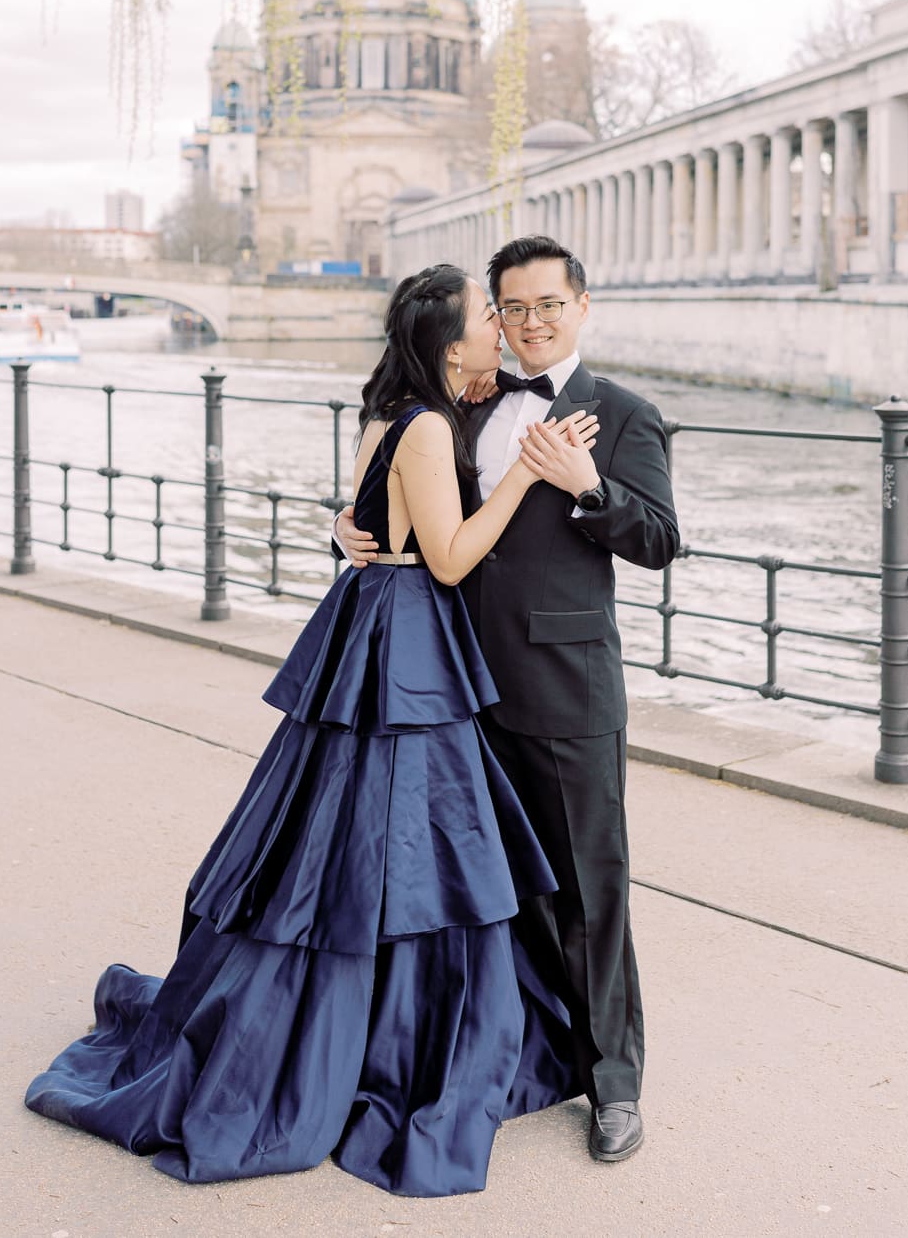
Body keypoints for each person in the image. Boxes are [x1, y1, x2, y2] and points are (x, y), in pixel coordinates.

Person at [24, 264, 601, 1197]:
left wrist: (358, 519)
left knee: (345, 828)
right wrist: (528, 475)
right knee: (406, 837)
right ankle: (400, 1028)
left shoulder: (400, 411)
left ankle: (360, 1005)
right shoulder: (423, 425)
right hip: (411, 627)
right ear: (453, 340)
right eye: (487, 316)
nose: (503, 326)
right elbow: (449, 560)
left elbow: (379, 519)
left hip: (376, 617)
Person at [336, 235, 679, 1165]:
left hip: (564, 694)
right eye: (511, 308)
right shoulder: (462, 402)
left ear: (582, 304)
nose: (528, 323)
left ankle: (614, 1086)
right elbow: (412, 499)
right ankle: (529, 1049)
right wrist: (352, 523)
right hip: (453, 689)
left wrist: (590, 486)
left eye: (546, 306)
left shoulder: (623, 412)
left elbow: (658, 540)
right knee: (489, 891)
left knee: (587, 893)